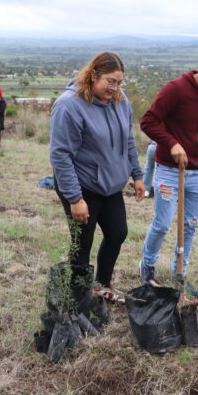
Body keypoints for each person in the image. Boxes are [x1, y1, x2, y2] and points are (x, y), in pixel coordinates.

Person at [138, 44, 198, 296]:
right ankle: (147, 268)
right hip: (170, 170)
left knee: (191, 224)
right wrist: (171, 144)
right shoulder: (175, 89)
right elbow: (148, 121)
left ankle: (180, 273)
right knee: (162, 223)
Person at [50, 52, 144, 304]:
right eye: (110, 82)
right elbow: (61, 156)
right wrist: (74, 198)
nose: (115, 88)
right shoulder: (69, 105)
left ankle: (102, 285)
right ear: (93, 75)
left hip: (111, 184)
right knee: (83, 242)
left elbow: (128, 141)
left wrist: (137, 174)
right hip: (81, 186)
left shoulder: (120, 101)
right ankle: (77, 296)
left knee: (117, 233)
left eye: (119, 82)